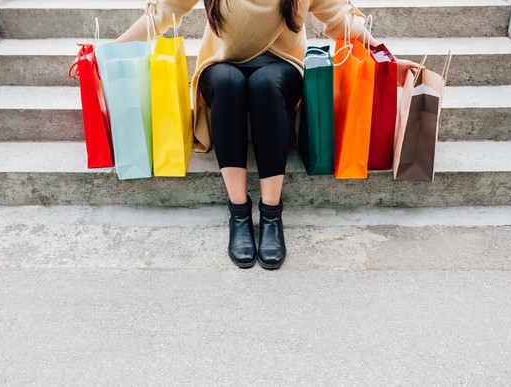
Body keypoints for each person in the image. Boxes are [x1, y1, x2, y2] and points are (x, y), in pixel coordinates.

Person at [117, 0, 420, 270]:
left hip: (282, 71)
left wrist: (387, 61)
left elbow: (343, 19)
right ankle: (239, 212)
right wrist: (110, 51)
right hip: (222, 69)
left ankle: (271, 213)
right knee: (229, 81)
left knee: (264, 83)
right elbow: (162, 13)